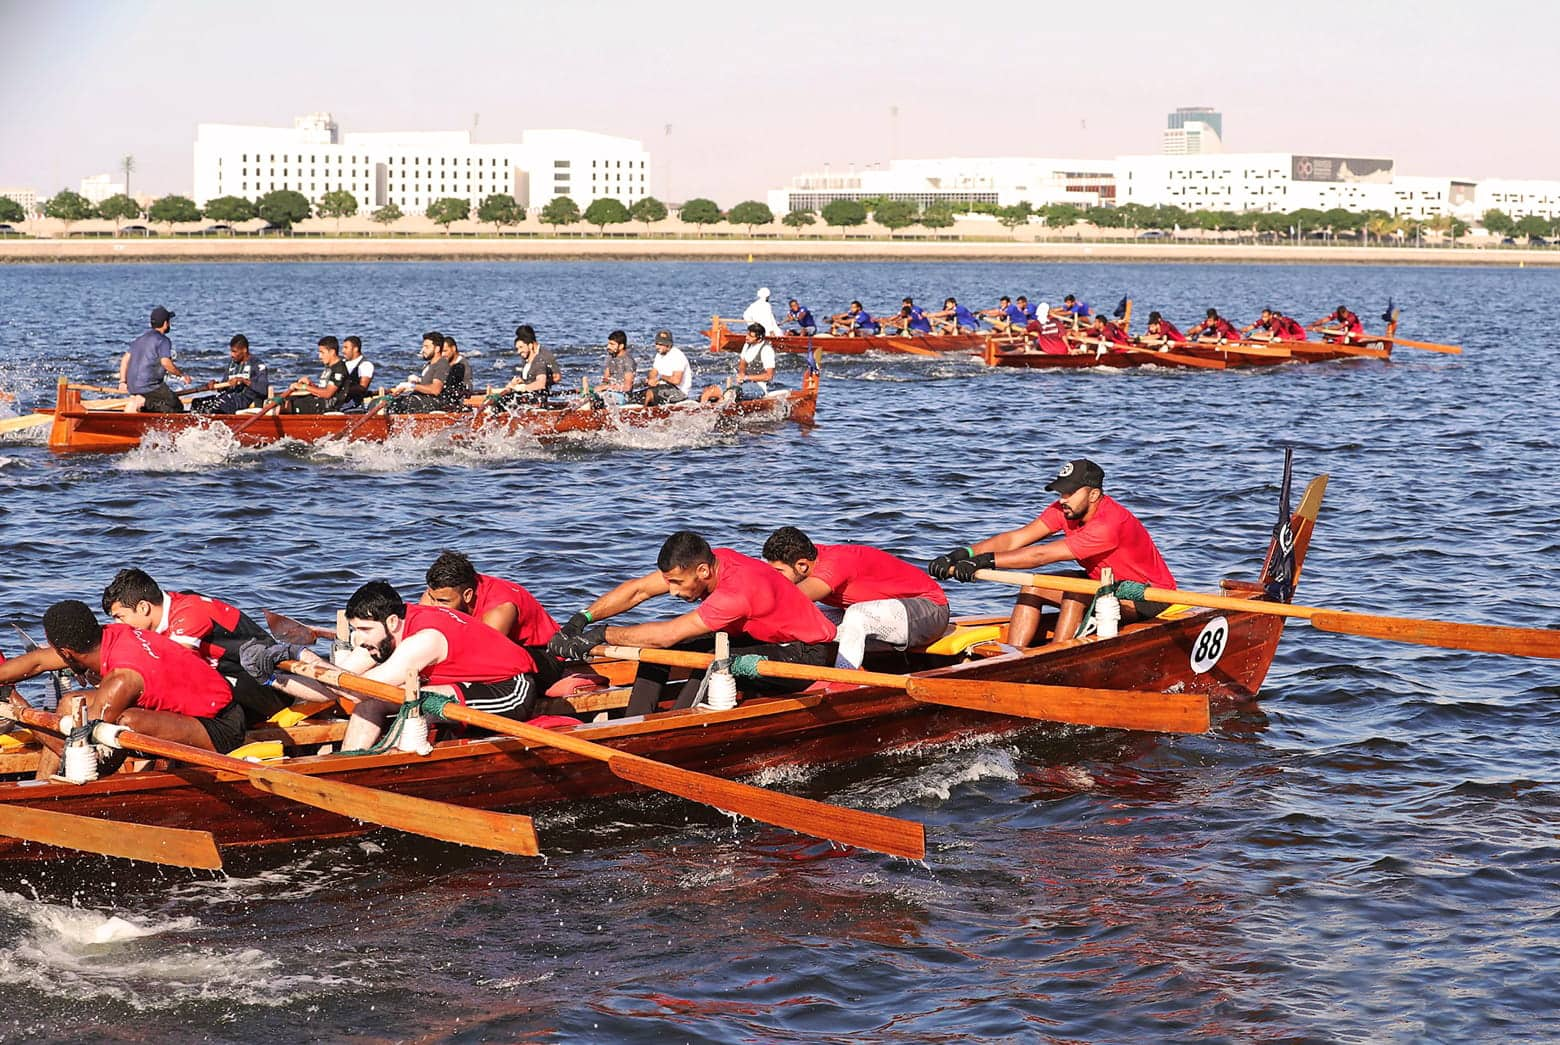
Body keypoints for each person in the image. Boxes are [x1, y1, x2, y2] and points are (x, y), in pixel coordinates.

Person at [547, 530, 836, 716]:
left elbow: (666, 634)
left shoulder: (735, 592)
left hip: (802, 655)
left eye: (677, 584)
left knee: (703, 657)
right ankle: (634, 721)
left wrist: (601, 635)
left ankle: (674, 724)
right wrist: (581, 620)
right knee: (657, 652)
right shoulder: (709, 561)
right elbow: (639, 590)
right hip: (761, 638)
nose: (672, 591)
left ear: (703, 571)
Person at [928, 458, 1177, 648]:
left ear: (1093, 494)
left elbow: (1041, 556)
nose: (1063, 499)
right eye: (1061, 492)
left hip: (1148, 596)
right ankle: (1013, 655)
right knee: (1032, 587)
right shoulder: (1065, 510)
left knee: (1074, 593)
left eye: (1070, 493)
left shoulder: (1109, 524)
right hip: (1100, 584)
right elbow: (1017, 538)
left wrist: (984, 562)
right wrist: (963, 554)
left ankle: (1057, 656)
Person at [0, 600, 247, 778]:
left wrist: (17, 708)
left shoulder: (121, 680)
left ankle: (100, 796)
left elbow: (91, 756)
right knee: (69, 704)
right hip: (186, 708)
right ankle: (45, 787)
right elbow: (37, 661)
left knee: (125, 722)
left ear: (66, 653)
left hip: (220, 725)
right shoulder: (109, 634)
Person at [298, 581, 548, 751]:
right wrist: (273, 675)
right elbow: (335, 685)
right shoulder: (383, 635)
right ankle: (350, 763)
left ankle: (393, 765)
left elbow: (357, 689)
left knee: (416, 702)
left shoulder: (424, 640)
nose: (359, 640)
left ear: (393, 622)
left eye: (364, 630)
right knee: (372, 703)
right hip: (465, 684)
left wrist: (308, 657)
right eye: (355, 630)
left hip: (511, 690)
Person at [100, 567, 291, 726]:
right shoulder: (166, 614)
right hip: (229, 684)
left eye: (120, 617)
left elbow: (178, 670)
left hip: (267, 689)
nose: (119, 625)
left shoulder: (189, 612)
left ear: (143, 607)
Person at [762, 526, 950, 670]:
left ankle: (843, 678)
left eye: (779, 572)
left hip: (930, 611)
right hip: (890, 615)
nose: (775, 578)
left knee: (856, 615)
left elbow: (790, 599)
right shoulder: (808, 559)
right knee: (815, 618)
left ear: (802, 566)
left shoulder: (833, 565)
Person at [118, 305, 190, 414]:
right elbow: (166, 363)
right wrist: (182, 375)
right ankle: (143, 402)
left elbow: (125, 359)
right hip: (149, 387)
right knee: (176, 406)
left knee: (162, 402)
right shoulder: (163, 340)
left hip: (133, 387)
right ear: (165, 323)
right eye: (169, 321)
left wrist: (123, 382)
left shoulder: (140, 339)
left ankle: (142, 407)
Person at [491, 324, 562, 409]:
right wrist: (521, 381)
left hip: (537, 396)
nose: (519, 350)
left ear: (529, 343)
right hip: (528, 392)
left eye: (521, 345)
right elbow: (528, 375)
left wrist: (528, 385)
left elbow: (557, 377)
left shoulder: (544, 355)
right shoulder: (526, 356)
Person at [196, 334, 270, 414]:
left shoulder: (257, 365)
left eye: (234, 351)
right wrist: (215, 385)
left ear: (244, 350)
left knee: (214, 405)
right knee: (197, 403)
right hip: (227, 399)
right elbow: (224, 385)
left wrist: (244, 381)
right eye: (231, 351)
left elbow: (264, 390)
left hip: (242, 401)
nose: (232, 355)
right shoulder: (232, 364)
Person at [386, 331, 451, 414]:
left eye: (426, 347)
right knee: (392, 401)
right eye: (423, 346)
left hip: (434, 402)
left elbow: (435, 389)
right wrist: (418, 381)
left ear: (437, 349)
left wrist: (412, 386)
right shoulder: (428, 365)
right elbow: (429, 383)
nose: (422, 350)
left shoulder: (442, 364)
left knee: (399, 404)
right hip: (424, 398)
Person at [285, 336, 351, 414]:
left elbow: (327, 393)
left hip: (328, 407)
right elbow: (322, 389)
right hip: (320, 401)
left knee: (290, 404)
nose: (320, 356)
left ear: (332, 352)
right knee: (291, 398)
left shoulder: (339, 369)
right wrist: (310, 384)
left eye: (322, 352)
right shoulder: (330, 367)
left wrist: (304, 387)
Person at [643, 330, 694, 406]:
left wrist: (660, 377)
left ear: (668, 345)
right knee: (639, 394)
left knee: (649, 394)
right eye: (656, 344)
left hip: (679, 391)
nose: (657, 347)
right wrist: (650, 380)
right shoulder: (659, 355)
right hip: (663, 387)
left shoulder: (677, 356)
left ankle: (643, 413)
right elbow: (654, 372)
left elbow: (676, 380)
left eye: (661, 344)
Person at [592, 329, 638, 406]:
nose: (608, 347)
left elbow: (627, 387)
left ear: (621, 346)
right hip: (609, 392)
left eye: (612, 344)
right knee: (589, 395)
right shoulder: (610, 357)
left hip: (623, 396)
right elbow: (605, 379)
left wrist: (606, 387)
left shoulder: (628, 361)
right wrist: (596, 389)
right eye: (608, 344)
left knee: (607, 397)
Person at [341, 335, 375, 408]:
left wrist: (341, 389)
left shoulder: (365, 365)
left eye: (346, 348)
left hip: (353, 405)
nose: (342, 351)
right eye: (343, 347)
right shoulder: (342, 363)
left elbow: (362, 388)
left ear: (355, 349)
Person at [439, 336, 471, 409]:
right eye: (441, 352)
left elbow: (468, 387)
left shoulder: (463, 365)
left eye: (445, 351)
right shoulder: (444, 363)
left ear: (453, 348)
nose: (442, 355)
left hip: (455, 401)